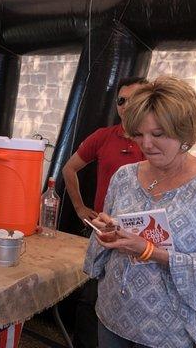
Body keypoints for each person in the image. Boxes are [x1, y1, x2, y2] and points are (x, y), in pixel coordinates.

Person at [84, 76, 196, 348]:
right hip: (113, 313)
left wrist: (150, 251)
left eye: (158, 135)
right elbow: (107, 236)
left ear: (184, 132)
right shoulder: (124, 176)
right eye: (138, 134)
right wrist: (108, 230)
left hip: (171, 330)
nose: (145, 145)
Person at [62, 76, 147, 348]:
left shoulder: (154, 143)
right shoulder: (103, 137)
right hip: (104, 232)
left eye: (134, 98)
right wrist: (79, 208)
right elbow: (69, 169)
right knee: (90, 299)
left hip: (142, 238)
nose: (126, 105)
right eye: (121, 100)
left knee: (135, 302)